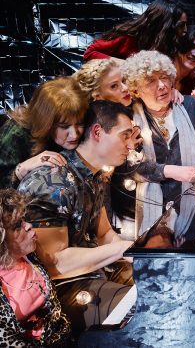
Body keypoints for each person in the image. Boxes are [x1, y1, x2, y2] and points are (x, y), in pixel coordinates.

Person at [18, 100, 136, 333]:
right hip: (55, 292)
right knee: (144, 310)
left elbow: (104, 233)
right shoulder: (52, 181)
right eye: (125, 136)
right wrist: (123, 249)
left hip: (91, 274)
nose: (130, 145)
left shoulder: (95, 175)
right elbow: (54, 262)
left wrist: (135, 254)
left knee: (162, 286)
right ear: (97, 132)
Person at [120, 51, 195, 238]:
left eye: (164, 77)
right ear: (136, 90)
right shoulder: (127, 117)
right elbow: (127, 166)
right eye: (151, 81)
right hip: (143, 208)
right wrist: (170, 171)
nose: (162, 85)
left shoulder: (190, 106)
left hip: (190, 206)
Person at [0, 188, 71, 346]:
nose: (29, 226)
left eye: (24, 219)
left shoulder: (30, 254)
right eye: (17, 226)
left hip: (62, 337)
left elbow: (56, 262)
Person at [0, 77, 88, 189]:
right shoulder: (17, 133)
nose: (75, 135)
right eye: (64, 127)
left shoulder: (88, 127)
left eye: (80, 124)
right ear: (46, 123)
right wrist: (22, 168)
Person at [83, 0, 188, 62]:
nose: (185, 30)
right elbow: (90, 53)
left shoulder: (169, 47)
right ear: (166, 26)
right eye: (181, 25)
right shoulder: (129, 38)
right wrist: (125, 65)